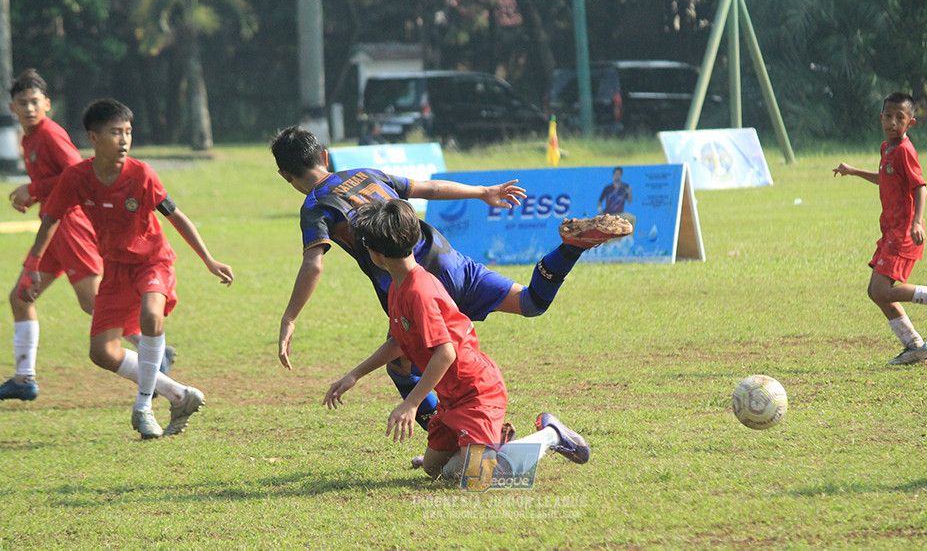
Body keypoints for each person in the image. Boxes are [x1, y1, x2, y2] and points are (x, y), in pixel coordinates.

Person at [270, 125, 630, 430]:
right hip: (448, 261)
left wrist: (289, 318)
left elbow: (313, 263)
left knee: (401, 365)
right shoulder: (367, 174)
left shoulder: (316, 205)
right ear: (326, 157)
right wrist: (483, 192)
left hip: (410, 283)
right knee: (531, 302)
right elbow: (430, 188)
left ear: (286, 177)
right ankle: (569, 249)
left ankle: (447, 437)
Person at [323, 199, 590, 482]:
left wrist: (411, 403)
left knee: (474, 478)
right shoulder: (398, 287)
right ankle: (490, 444)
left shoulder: (419, 291)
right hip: (452, 397)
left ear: (375, 254)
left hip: (476, 392)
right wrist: (355, 375)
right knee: (433, 469)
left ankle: (551, 434)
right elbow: (400, 341)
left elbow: (445, 354)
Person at [19, 99, 234, 438]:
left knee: (151, 316)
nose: (124, 140)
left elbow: (175, 216)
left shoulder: (141, 174)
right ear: (94, 137)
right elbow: (51, 218)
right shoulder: (77, 177)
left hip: (153, 261)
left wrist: (208, 259)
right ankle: (179, 395)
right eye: (115, 133)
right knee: (101, 352)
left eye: (128, 132)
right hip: (115, 269)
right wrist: (32, 264)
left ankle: (143, 407)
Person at [2, 70, 175, 402]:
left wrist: (33, 188)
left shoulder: (50, 135)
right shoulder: (30, 138)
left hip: (71, 227)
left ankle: (152, 352)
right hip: (52, 228)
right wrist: (36, 196)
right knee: (20, 297)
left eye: (34, 101)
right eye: (22, 103)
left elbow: (78, 175)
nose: (28, 108)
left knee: (94, 302)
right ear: (12, 107)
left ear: (47, 105)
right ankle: (25, 379)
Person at [833, 92, 927, 366]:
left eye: (899, 117)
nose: (893, 122)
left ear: (911, 123)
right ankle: (914, 345)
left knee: (881, 290)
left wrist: (917, 222)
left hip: (904, 233)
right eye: (888, 116)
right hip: (890, 231)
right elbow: (885, 178)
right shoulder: (887, 148)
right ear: (881, 118)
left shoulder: (905, 151)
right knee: (876, 292)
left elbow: (920, 187)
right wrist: (854, 171)